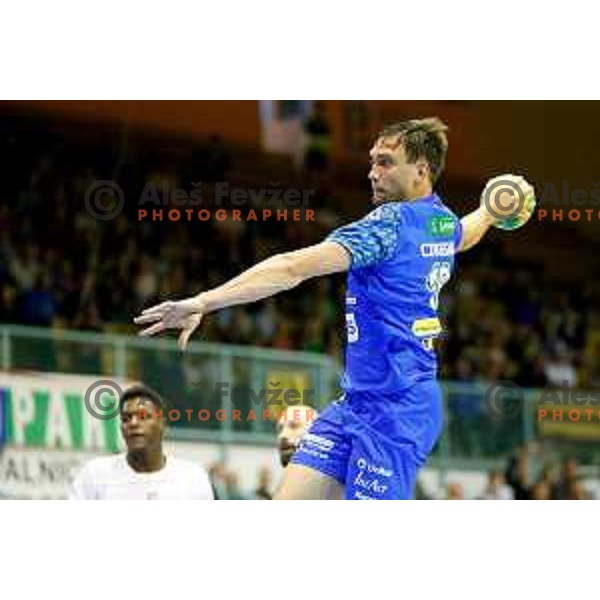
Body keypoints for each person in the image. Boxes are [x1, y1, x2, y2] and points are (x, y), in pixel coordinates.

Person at [134, 117, 534, 500]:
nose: (372, 172)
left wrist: (204, 301)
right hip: (355, 404)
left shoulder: (387, 225)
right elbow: (467, 234)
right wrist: (493, 210)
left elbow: (292, 268)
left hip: (396, 416)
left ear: (421, 170)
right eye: (372, 161)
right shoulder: (441, 221)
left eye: (385, 162)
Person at [69, 385, 214, 500]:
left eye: (143, 416)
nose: (133, 423)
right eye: (126, 418)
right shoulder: (94, 474)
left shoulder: (193, 477)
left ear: (162, 424)